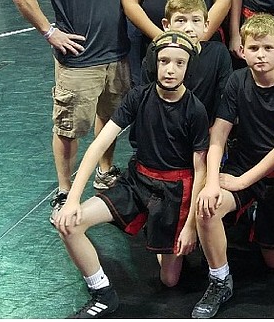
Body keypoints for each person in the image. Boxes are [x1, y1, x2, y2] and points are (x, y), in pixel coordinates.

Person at [53, 30, 208, 318]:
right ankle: (102, 293)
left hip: (175, 192)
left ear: (189, 67)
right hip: (137, 181)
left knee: (169, 280)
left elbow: (201, 171)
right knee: (69, 225)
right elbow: (99, 145)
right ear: (154, 63)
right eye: (164, 61)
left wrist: (190, 226)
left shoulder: (195, 110)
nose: (170, 69)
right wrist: (72, 199)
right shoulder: (139, 96)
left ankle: (160, 230)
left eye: (179, 63)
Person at [8, 0, 133, 221]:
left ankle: (105, 172)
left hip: (118, 53)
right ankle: (65, 190)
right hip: (79, 59)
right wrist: (50, 31)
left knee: (110, 119)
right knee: (69, 127)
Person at [192, 14, 274, 319]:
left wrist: (243, 182)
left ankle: (261, 215)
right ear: (242, 51)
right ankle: (219, 280)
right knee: (207, 207)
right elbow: (218, 132)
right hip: (241, 165)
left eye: (268, 48)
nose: (260, 55)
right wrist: (214, 180)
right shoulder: (236, 80)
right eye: (254, 48)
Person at [141, 0, 232, 122]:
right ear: (167, 25)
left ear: (206, 25)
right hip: (165, 128)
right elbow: (147, 105)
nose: (189, 28)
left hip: (205, 131)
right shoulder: (154, 59)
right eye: (181, 20)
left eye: (196, 20)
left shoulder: (219, 54)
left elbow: (225, 101)